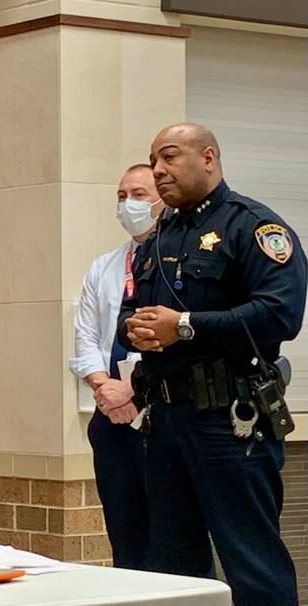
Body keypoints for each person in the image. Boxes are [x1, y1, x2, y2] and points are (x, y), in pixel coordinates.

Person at [118, 123, 305, 606]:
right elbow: (129, 311)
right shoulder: (157, 238)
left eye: (170, 157)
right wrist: (133, 330)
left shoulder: (253, 226)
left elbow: (279, 315)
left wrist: (184, 326)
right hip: (164, 424)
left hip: (230, 421)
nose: (158, 170)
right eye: (154, 160)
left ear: (208, 158)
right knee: (174, 573)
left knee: (252, 564)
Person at [69, 164, 162, 570]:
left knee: (169, 537)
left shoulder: (175, 259)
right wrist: (103, 387)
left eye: (138, 195)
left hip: (160, 413)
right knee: (124, 535)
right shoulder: (104, 266)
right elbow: (86, 335)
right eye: (122, 196)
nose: (129, 204)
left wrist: (133, 390)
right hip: (111, 415)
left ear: (162, 199)